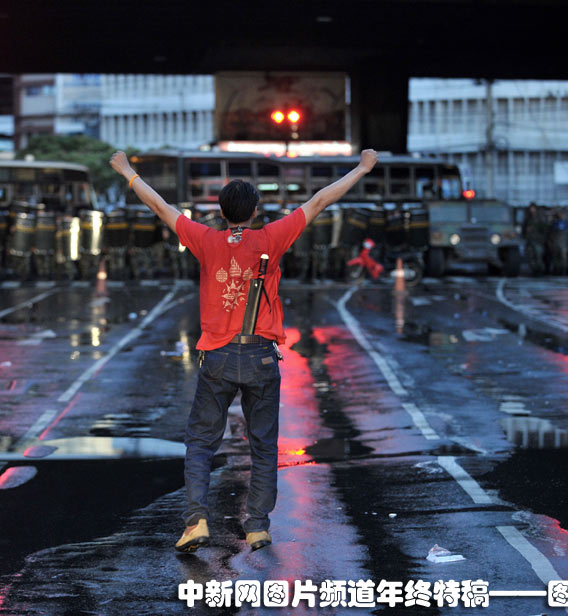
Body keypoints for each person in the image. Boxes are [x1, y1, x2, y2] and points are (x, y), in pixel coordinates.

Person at [110, 149, 379, 552]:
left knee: (201, 443)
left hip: (217, 357)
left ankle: (196, 521)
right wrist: (361, 168)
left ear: (221, 213)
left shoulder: (205, 239)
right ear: (255, 211)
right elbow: (321, 200)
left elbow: (160, 206)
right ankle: (257, 527)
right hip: (261, 356)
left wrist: (128, 171)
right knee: (263, 446)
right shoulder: (271, 237)